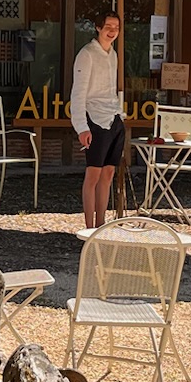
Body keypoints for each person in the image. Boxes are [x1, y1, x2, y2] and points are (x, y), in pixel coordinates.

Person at [71, 12, 124, 231]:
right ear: (98, 27)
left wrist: (120, 113)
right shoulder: (87, 54)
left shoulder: (113, 54)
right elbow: (78, 93)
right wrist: (81, 127)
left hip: (114, 117)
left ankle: (101, 224)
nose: (112, 31)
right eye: (108, 26)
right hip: (95, 118)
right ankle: (89, 228)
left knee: (108, 173)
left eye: (116, 27)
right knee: (93, 174)